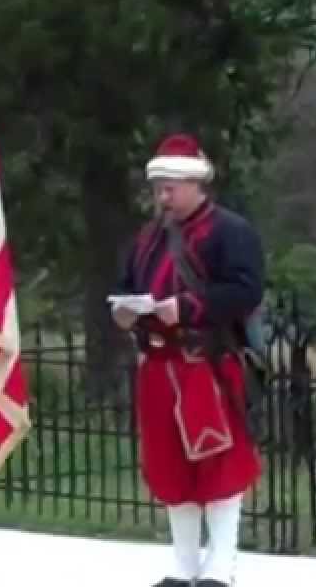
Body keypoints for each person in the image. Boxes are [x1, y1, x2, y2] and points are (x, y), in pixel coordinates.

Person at [111, 133, 266, 587]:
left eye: (172, 187)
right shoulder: (147, 238)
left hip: (207, 365)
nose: (164, 197)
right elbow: (127, 285)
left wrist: (188, 309)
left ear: (197, 185)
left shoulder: (229, 232)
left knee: (218, 462)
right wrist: (125, 313)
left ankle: (221, 565)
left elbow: (245, 290)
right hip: (158, 366)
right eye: (160, 188)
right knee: (168, 465)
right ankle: (183, 565)